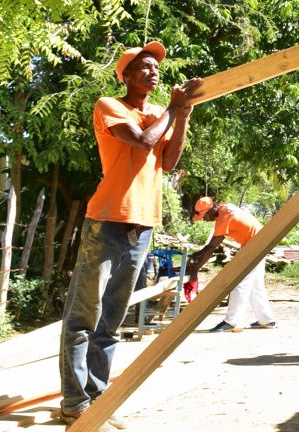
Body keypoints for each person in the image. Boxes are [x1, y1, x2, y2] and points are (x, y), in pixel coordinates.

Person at [58, 41, 203, 428]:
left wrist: (182, 115)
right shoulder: (110, 106)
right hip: (107, 221)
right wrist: (173, 110)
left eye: (156, 67)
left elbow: (167, 162)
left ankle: (97, 398)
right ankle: (74, 402)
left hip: (142, 226)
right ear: (125, 75)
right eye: (144, 67)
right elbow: (141, 143)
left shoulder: (160, 113)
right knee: (83, 316)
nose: (153, 72)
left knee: (111, 320)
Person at [189, 197, 277, 332]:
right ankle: (267, 319)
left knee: (240, 283)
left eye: (205, 215)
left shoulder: (224, 217)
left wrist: (197, 260)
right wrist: (199, 259)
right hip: (260, 241)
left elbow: (212, 246)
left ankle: (230, 322)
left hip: (255, 245)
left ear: (211, 209)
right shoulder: (225, 208)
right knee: (255, 284)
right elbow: (212, 246)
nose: (205, 219)